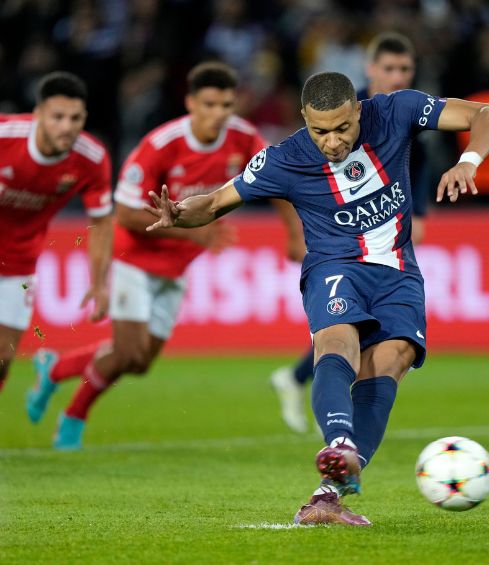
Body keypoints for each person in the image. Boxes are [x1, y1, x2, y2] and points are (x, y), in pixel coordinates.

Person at [145, 71, 489, 525]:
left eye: (342, 128)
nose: (332, 142)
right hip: (335, 267)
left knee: (393, 359)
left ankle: (326, 498)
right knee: (337, 342)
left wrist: (470, 160)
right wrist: (179, 213)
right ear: (304, 120)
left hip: (398, 270)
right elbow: (217, 201)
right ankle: (339, 442)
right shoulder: (284, 159)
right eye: (320, 131)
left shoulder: (395, 111)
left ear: (358, 110)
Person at [24, 62, 294, 450]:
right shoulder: (160, 145)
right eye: (210, 104)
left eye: (226, 105)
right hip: (134, 258)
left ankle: (56, 368)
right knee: (127, 351)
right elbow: (126, 213)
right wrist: (193, 228)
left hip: (177, 267)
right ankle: (73, 418)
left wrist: (293, 231)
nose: (218, 113)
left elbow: (277, 176)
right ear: (190, 103)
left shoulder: (242, 137)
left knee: (140, 362)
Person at [269, 32, 430, 434]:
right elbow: (297, 171)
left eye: (405, 69)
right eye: (389, 68)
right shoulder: (337, 109)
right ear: (370, 70)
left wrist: (419, 210)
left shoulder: (405, 113)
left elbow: (416, 164)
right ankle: (323, 409)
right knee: (344, 336)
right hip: (339, 253)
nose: (397, 76)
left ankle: (333, 423)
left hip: (386, 248)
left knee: (374, 344)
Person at [0, 72, 112, 396]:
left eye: (75, 118)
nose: (67, 126)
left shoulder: (91, 159)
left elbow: (102, 221)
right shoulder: (6, 135)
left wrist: (98, 283)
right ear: (38, 115)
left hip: (19, 263)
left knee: (4, 357)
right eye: (57, 117)